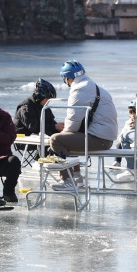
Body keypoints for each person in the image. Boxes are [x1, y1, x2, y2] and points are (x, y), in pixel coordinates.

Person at [49, 60, 118, 191]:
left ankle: (67, 180)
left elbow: (73, 121)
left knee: (56, 140)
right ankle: (78, 179)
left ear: (67, 78)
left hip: (100, 139)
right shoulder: (90, 84)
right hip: (104, 137)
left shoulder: (79, 89)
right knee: (68, 139)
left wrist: (62, 133)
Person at [113, 100, 137, 170]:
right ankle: (117, 161)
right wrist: (129, 126)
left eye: (135, 112)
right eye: (131, 112)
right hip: (128, 141)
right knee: (119, 145)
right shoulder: (128, 122)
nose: (133, 115)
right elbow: (120, 136)